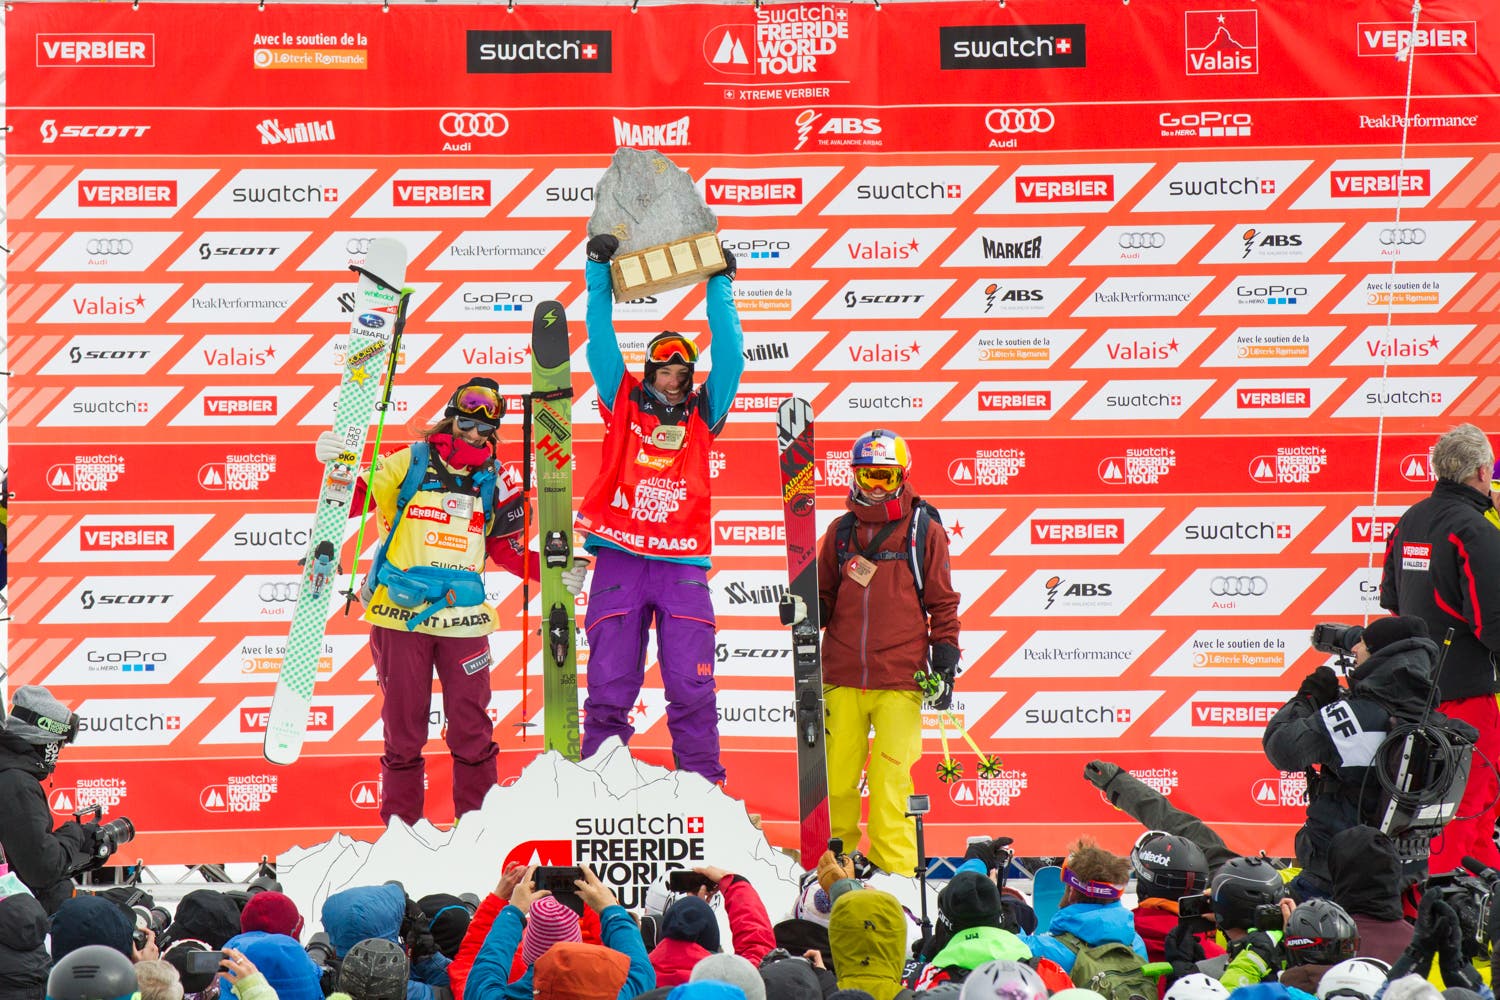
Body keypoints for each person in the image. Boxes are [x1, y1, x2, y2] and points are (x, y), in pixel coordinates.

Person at [314, 378, 585, 825]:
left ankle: (477, 833)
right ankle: (403, 834)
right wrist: (336, 466)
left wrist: (554, 571)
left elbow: (506, 552)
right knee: (403, 734)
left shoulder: (499, 478)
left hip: (464, 623)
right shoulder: (411, 461)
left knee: (473, 732)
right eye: (465, 423)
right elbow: (348, 501)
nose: (473, 435)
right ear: (450, 417)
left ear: (494, 431)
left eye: (483, 428)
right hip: (400, 618)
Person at [575, 235, 744, 785]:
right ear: (648, 371)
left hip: (681, 568)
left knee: (692, 690)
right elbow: (600, 335)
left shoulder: (705, 413)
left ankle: (704, 796)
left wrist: (720, 282)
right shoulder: (621, 399)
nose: (673, 378)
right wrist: (598, 270)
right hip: (620, 561)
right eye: (664, 369)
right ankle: (599, 792)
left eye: (682, 370)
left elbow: (733, 354)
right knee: (607, 688)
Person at [814, 429, 960, 876]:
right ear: (854, 475)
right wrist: (802, 609)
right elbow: (823, 595)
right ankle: (833, 865)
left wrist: (946, 658)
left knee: (889, 780)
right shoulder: (840, 532)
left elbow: (942, 602)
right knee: (837, 781)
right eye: (867, 475)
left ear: (901, 476)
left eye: (885, 475)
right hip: (841, 676)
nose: (875, 486)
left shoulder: (923, 531)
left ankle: (894, 871)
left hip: (900, 678)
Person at [1262, 616, 1468, 896]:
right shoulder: (1432, 722)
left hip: (1337, 876)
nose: (1355, 651)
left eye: (1362, 645)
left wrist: (1308, 699)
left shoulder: (1354, 718)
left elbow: (1281, 748)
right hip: (1406, 877)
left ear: (1380, 657)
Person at [1379, 423, 1500, 876]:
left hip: (1417, 692)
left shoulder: (1410, 518)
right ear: (1483, 470)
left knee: (1433, 809)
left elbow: (1392, 599)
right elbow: (1495, 627)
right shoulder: (1476, 530)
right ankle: (1452, 911)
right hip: (1468, 696)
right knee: (1471, 808)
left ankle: (1481, 905)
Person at [465, 863, 654, 1000]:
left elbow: (486, 970)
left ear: (529, 956)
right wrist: (611, 910)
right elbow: (641, 970)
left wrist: (512, 912)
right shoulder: (622, 995)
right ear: (578, 944)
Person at [0, 686, 105, 914]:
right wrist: (76, 834)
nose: (60, 750)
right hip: (17, 916)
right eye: (59, 744)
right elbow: (42, 869)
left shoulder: (12, 772)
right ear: (45, 740)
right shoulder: (16, 782)